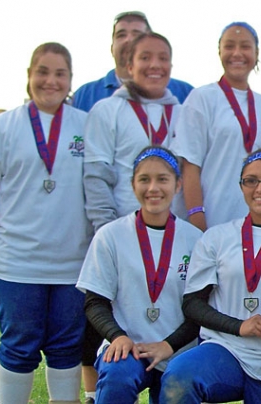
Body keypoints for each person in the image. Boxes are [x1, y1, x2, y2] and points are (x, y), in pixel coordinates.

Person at [0, 42, 90, 404]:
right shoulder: (2, 127)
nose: (51, 81)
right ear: (29, 76)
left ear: (70, 80)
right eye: (43, 72)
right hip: (16, 265)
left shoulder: (87, 125)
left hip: (73, 267)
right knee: (19, 348)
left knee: (66, 348)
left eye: (60, 73)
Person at [159, 149, 261, 404]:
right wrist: (240, 326)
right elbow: (193, 304)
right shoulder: (216, 238)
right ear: (241, 186)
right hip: (226, 350)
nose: (260, 188)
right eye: (251, 180)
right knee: (180, 377)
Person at [77, 147, 202, 404]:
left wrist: (169, 344)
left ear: (178, 185)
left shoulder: (195, 240)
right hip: (127, 348)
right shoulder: (110, 236)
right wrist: (117, 336)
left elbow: (200, 307)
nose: (153, 188)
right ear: (133, 185)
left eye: (162, 179)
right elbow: (95, 302)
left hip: (178, 350)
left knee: (179, 386)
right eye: (144, 179)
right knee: (117, 379)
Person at [174, 22, 261, 231]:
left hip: (256, 226)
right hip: (211, 222)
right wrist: (197, 221)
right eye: (229, 46)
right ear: (219, 51)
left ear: (256, 53)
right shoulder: (202, 98)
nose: (237, 53)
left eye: (245, 46)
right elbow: (190, 165)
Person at [84, 32, 185, 231]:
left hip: (175, 236)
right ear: (130, 67)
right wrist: (108, 232)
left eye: (163, 58)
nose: (155, 65)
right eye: (145, 58)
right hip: (125, 233)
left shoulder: (184, 114)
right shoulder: (107, 110)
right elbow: (97, 178)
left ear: (170, 67)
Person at [73, 11, 193, 112]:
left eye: (137, 34)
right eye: (121, 35)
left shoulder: (186, 93)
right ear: (111, 47)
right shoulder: (85, 95)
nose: (129, 40)